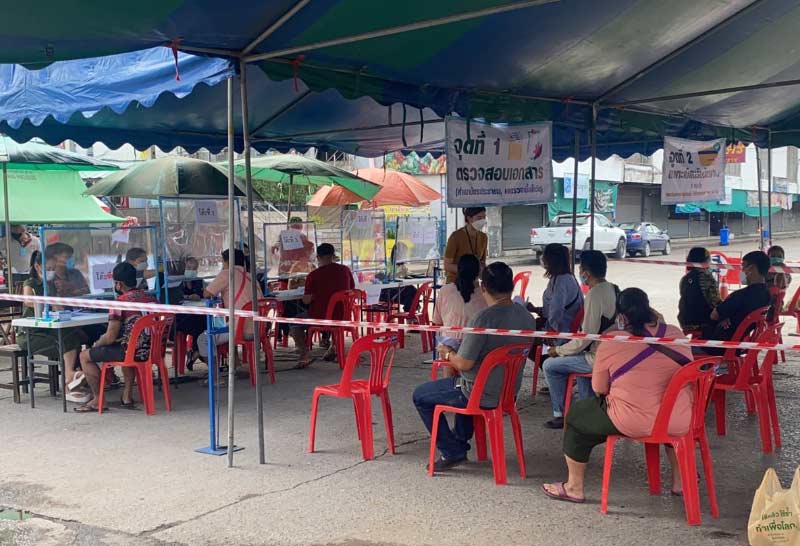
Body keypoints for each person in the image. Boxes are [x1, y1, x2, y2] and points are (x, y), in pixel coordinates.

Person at [542, 288, 693, 503]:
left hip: (632, 421)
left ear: (621, 316)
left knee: (576, 417)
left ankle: (574, 487)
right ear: (649, 308)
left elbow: (599, 388)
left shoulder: (613, 341)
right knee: (667, 413)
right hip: (679, 420)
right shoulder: (676, 334)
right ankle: (680, 482)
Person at [413, 262, 536, 471]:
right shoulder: (526, 317)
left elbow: (463, 363)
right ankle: (459, 443)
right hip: (508, 392)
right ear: (512, 285)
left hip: (479, 392)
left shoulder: (484, 318)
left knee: (421, 395)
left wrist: (447, 353)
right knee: (465, 384)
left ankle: (451, 450)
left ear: (483, 287)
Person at [542, 250, 618, 429]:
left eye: (581, 269)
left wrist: (558, 351)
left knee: (549, 366)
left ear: (586, 272)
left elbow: (586, 337)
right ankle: (586, 413)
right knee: (577, 366)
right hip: (607, 352)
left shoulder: (595, 294)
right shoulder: (613, 288)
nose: (580, 272)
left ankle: (560, 413)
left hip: (596, 356)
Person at [75, 262, 158, 412]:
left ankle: (98, 400)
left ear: (118, 284)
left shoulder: (120, 303)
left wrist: (97, 344)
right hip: (153, 350)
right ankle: (126, 396)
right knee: (128, 343)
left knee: (84, 356)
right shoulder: (151, 298)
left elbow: (110, 337)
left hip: (133, 352)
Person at [16, 250, 88, 403]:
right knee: (64, 343)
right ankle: (70, 380)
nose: (51, 271)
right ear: (37, 266)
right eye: (48, 268)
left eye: (53, 268)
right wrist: (46, 301)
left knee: (72, 336)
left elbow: (59, 309)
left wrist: (61, 296)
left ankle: (71, 379)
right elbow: (28, 300)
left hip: (50, 330)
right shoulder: (31, 283)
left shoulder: (53, 284)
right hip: (31, 333)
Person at [291, 243, 355, 367]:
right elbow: (351, 289)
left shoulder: (314, 275)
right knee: (334, 319)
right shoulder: (345, 270)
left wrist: (314, 296)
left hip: (321, 316)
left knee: (294, 324)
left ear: (318, 257)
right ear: (333, 255)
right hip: (343, 314)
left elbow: (306, 301)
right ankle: (334, 347)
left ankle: (304, 354)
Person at [432, 254, 488, 376]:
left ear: (458, 270)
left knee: (446, 348)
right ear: (479, 272)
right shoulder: (486, 294)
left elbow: (437, 322)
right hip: (476, 350)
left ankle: (448, 383)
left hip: (449, 347)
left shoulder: (445, 290)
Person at [197, 248, 254, 367]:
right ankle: (236, 365)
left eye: (223, 261)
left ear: (227, 262)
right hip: (259, 328)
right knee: (229, 325)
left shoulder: (227, 274)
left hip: (241, 329)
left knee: (203, 339)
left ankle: (214, 373)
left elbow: (207, 293)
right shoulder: (250, 276)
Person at [703, 250, 772, 341]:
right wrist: (724, 316)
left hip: (720, 342)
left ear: (751, 268)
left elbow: (714, 315)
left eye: (743, 267)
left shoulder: (741, 295)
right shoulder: (767, 294)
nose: (741, 271)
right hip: (742, 340)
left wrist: (722, 316)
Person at [528, 243, 583, 334]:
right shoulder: (563, 278)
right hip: (560, 327)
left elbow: (556, 313)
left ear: (551, 260)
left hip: (561, 332)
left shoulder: (561, 282)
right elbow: (551, 309)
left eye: (544, 256)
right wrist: (536, 309)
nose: (542, 259)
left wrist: (548, 331)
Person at [677, 247, 721, 334]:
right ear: (705, 261)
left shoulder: (685, 278)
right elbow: (714, 302)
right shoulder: (706, 277)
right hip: (703, 322)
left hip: (685, 321)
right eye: (709, 259)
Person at [443, 207, 487, 284]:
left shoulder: (484, 237)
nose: (483, 220)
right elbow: (447, 265)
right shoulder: (455, 237)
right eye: (479, 218)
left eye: (484, 217)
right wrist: (466, 270)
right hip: (455, 283)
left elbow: (482, 262)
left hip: (474, 284)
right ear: (469, 218)